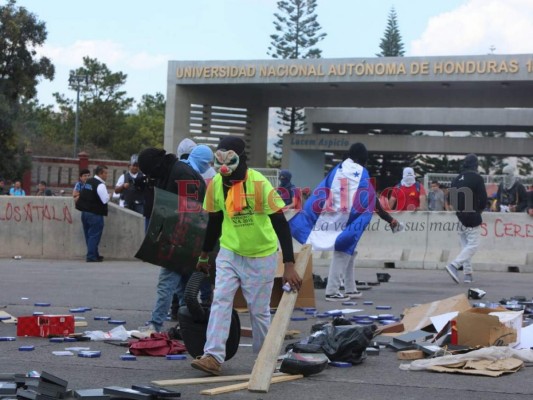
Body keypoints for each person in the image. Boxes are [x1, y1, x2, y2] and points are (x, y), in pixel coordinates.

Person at [191, 136, 301, 376]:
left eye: (229, 161)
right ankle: (213, 356)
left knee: (258, 310)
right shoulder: (217, 184)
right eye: (220, 160)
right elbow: (214, 221)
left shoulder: (259, 184)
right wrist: (203, 255)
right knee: (220, 299)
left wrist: (289, 264)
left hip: (261, 255)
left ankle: (265, 358)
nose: (224, 168)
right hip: (230, 252)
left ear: (240, 159)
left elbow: (280, 223)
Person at [289, 143, 399, 302]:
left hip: (328, 218)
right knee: (343, 251)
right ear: (363, 159)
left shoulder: (337, 170)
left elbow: (321, 191)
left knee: (350, 252)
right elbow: (371, 199)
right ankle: (332, 291)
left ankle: (350, 288)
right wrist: (388, 219)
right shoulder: (362, 173)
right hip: (346, 221)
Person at [144, 144, 214, 333]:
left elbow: (191, 210)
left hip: (181, 238)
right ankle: (188, 326)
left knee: (167, 284)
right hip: (186, 238)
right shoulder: (177, 171)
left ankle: (156, 325)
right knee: (184, 288)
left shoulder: (182, 173)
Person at [444, 154, 487, 284]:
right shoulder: (477, 178)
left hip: (460, 215)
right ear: (475, 165)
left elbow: (451, 199)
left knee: (465, 245)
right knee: (473, 245)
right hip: (472, 214)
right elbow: (483, 199)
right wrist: (478, 211)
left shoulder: (456, 179)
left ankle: (468, 274)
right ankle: (454, 265)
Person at [75, 166, 110, 263]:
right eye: (105, 173)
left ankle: (95, 254)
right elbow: (105, 200)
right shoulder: (100, 185)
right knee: (94, 236)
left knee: (89, 235)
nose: (107, 175)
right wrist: (109, 195)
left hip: (85, 213)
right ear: (100, 173)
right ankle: (91, 256)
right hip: (95, 214)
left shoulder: (89, 181)